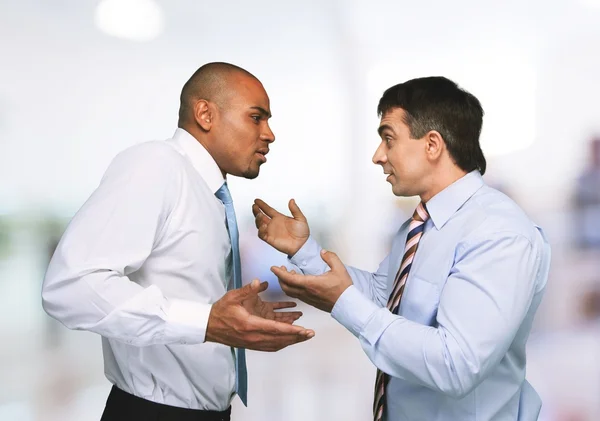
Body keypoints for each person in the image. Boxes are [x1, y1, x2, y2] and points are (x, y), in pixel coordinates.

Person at [253, 76, 551, 421]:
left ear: (432, 145)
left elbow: (457, 365)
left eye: (388, 139)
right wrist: (304, 251)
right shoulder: (417, 227)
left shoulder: (498, 233)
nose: (378, 156)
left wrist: (342, 302)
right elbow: (383, 297)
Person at [41, 62, 315, 421]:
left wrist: (225, 316)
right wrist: (205, 320)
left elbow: (185, 289)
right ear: (205, 113)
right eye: (256, 117)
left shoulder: (210, 193)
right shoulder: (156, 166)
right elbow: (70, 285)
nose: (270, 134)